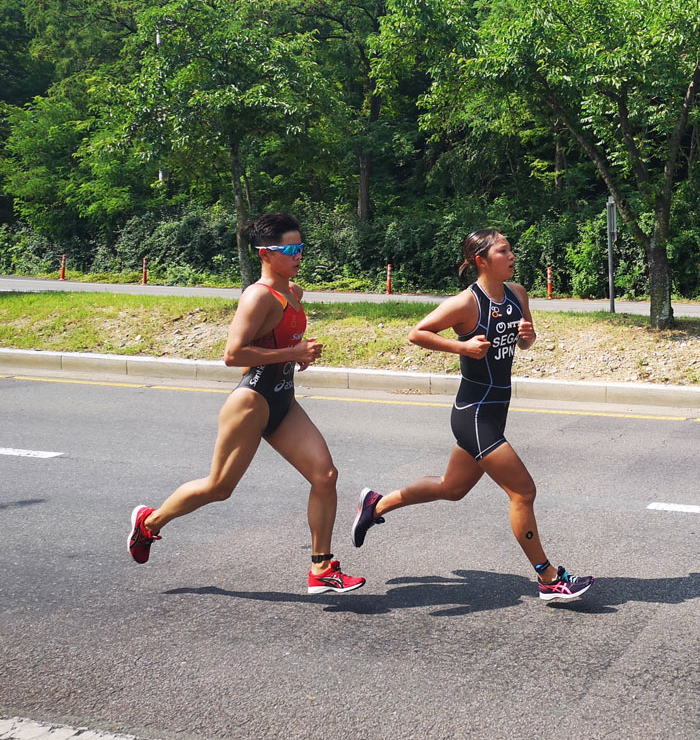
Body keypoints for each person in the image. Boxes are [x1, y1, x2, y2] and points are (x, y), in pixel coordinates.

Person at [351, 228, 594, 603]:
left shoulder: (518, 294)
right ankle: (549, 578)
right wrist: (461, 345)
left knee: (452, 488)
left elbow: (523, 341)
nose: (512, 256)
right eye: (503, 251)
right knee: (523, 491)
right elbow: (417, 333)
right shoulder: (468, 302)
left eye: (511, 250)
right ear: (482, 260)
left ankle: (375, 505)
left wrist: (526, 335)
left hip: (498, 410)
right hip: (473, 412)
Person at [128, 211, 365, 595]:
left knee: (325, 476)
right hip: (251, 402)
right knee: (219, 488)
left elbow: (276, 345)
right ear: (265, 254)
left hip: (283, 400)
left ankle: (321, 568)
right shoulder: (258, 296)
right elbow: (233, 355)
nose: (298, 255)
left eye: (301, 247)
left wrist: (296, 355)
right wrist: (292, 350)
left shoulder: (294, 292)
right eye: (290, 249)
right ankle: (150, 523)